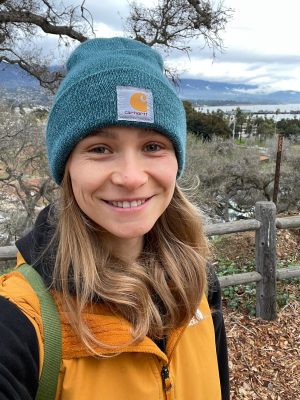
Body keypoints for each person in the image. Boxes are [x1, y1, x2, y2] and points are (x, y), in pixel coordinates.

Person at [0, 37, 229, 399]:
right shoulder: (20, 321)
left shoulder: (198, 283)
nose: (132, 177)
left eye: (153, 146)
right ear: (68, 167)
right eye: (100, 149)